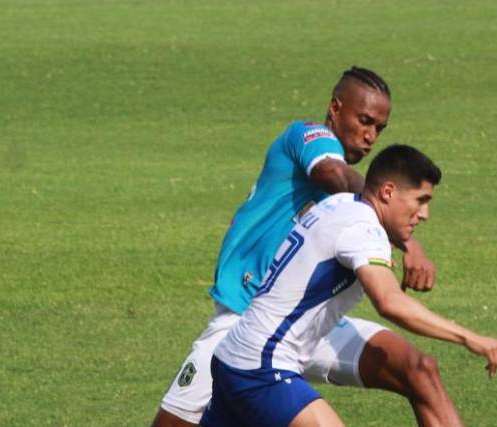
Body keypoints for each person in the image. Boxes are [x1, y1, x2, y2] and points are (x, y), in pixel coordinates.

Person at [154, 67, 464, 427]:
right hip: (245, 324)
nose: (370, 136)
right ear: (335, 108)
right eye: (364, 120)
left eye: (379, 128)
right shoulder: (308, 137)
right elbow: (338, 176)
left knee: (418, 369)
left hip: (310, 324)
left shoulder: (354, 208)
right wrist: (407, 241)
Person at [201, 144, 497, 427]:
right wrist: (470, 337)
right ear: (388, 192)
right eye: (421, 200)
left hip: (232, 357)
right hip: (262, 368)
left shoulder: (341, 205)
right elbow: (389, 302)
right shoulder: (362, 228)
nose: (425, 214)